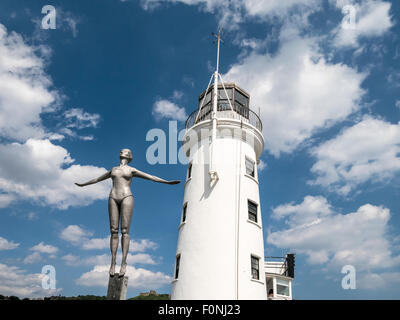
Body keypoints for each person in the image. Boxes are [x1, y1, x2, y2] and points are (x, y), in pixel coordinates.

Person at [75, 149, 180, 277]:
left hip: (126, 197)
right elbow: (97, 179)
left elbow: (151, 177)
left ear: (129, 156)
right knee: (114, 230)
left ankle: (123, 263)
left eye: (124, 151)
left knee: (125, 231)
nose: (121, 152)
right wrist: (83, 184)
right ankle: (113, 262)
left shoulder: (131, 170)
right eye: (120, 150)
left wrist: (167, 182)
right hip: (113, 197)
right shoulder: (113, 169)